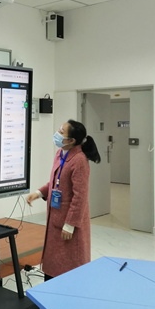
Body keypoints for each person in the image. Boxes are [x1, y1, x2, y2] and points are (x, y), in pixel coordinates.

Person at [26, 120, 101, 281]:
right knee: (53, 265)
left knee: (69, 267)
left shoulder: (79, 160)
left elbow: (80, 196)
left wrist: (70, 224)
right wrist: (38, 193)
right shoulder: (60, 153)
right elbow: (56, 183)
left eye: (61, 132)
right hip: (56, 219)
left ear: (71, 140)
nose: (57, 134)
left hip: (69, 224)